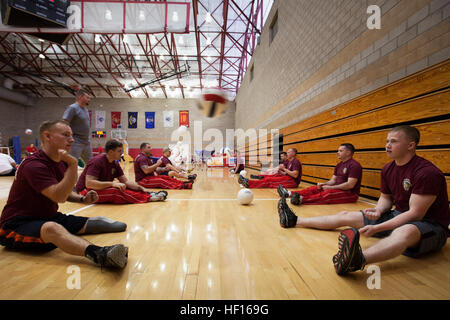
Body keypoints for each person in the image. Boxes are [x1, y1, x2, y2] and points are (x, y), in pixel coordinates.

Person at [277, 125, 449, 276]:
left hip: (429, 225)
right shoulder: (388, 168)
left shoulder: (427, 173)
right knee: (346, 215)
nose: (387, 145)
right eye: (387, 141)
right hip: (398, 215)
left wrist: (378, 227)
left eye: (394, 141)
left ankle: (357, 259)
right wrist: (379, 211)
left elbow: (415, 214)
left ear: (411, 145)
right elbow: (386, 198)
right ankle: (295, 220)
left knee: (405, 232)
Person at [0, 120, 128, 269]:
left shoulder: (60, 163)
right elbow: (58, 196)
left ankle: (66, 238)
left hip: (49, 217)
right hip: (17, 225)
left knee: (112, 224)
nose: (72, 139)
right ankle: (100, 254)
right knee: (52, 229)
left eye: (72, 135)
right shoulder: (33, 165)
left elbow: (63, 191)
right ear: (47, 136)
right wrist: (73, 165)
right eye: (66, 135)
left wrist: (82, 198)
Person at [76, 139, 168, 204]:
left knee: (123, 187)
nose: (122, 153)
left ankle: (149, 194)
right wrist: (112, 184)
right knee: (115, 191)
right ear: (111, 152)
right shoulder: (97, 161)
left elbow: (126, 182)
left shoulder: (115, 163)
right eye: (119, 151)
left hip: (98, 189)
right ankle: (149, 198)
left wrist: (142, 189)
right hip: (85, 192)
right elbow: (89, 184)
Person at [277, 144, 362, 205]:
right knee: (315, 188)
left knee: (328, 194)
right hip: (337, 188)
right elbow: (333, 181)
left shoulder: (354, 165)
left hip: (350, 194)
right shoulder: (339, 164)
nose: (337, 152)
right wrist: (324, 184)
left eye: (340, 151)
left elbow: (350, 185)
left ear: (348, 152)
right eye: (338, 150)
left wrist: (331, 187)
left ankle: (302, 200)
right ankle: (290, 193)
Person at [62, 89, 93, 165]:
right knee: (70, 164)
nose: (89, 99)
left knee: (92, 164)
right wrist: (67, 138)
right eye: (87, 97)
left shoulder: (85, 109)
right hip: (76, 141)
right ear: (80, 97)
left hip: (86, 142)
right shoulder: (72, 108)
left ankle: (89, 177)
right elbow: (64, 122)